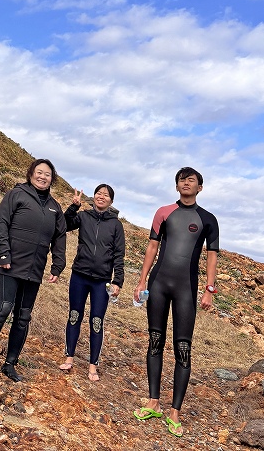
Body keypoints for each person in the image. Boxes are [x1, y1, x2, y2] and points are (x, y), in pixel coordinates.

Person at [133, 167, 219, 438]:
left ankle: (175, 413)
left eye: (191, 179)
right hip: (159, 283)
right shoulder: (163, 212)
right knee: (155, 341)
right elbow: (152, 247)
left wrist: (209, 290)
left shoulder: (208, 219)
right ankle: (153, 402)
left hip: (186, 289)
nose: (185, 182)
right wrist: (142, 280)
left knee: (183, 348)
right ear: (177, 186)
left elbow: (212, 256)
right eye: (181, 179)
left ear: (200, 188)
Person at [0, 158, 67, 382]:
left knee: (23, 317)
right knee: (3, 308)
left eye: (47, 174)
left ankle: (10, 364)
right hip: (11, 263)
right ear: (30, 173)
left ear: (52, 179)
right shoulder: (16, 194)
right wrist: (4, 253)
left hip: (34, 268)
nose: (43, 176)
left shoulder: (55, 207)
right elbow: (1, 223)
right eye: (39, 172)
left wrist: (58, 264)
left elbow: (60, 237)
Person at [59, 184, 125, 382]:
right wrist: (73, 207)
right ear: (93, 197)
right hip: (79, 274)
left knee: (97, 321)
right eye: (98, 193)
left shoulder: (116, 225)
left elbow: (119, 255)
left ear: (111, 201)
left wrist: (117, 281)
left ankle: (92, 366)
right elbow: (64, 224)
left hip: (101, 281)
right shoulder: (84, 216)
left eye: (106, 195)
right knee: (74, 315)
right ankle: (69, 358)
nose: (101, 196)